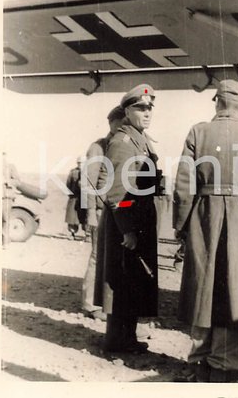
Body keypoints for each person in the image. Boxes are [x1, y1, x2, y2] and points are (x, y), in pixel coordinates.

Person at [173, 79, 238, 382]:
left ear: (217, 101)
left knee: (202, 289)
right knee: (234, 292)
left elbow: (183, 186)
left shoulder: (198, 131)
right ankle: (225, 365)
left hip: (202, 217)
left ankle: (197, 362)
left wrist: (182, 225)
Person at [97, 84, 159, 353]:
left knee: (133, 280)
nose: (147, 113)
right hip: (127, 221)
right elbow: (115, 192)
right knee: (122, 281)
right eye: (140, 108)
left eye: (149, 108)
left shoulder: (139, 139)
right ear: (127, 111)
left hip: (138, 220)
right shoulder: (123, 143)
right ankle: (116, 340)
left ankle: (127, 338)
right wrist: (128, 230)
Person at [81, 105, 125, 321]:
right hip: (99, 210)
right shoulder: (98, 147)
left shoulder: (119, 145)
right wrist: (90, 211)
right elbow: (89, 181)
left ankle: (107, 303)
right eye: (121, 123)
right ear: (112, 123)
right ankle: (90, 304)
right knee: (97, 257)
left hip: (116, 210)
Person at [65, 157, 87, 240]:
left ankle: (87, 235)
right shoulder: (73, 172)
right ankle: (72, 233)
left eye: (82, 163)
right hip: (74, 197)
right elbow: (68, 184)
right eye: (79, 163)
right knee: (72, 217)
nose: (80, 164)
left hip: (85, 198)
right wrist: (71, 194)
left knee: (86, 216)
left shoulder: (89, 172)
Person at [2, 152, 21, 248]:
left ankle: (4, 242)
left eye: (3, 154)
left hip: (5, 196)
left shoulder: (10, 167)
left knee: (5, 219)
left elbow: (17, 181)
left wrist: (6, 181)